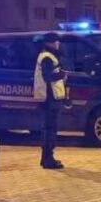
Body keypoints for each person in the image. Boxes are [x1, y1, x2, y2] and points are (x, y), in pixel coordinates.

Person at [34, 33, 68, 169]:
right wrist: (62, 75)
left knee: (49, 129)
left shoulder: (48, 55)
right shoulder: (47, 57)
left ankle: (47, 158)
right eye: (56, 41)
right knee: (50, 129)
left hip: (51, 97)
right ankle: (48, 159)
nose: (58, 44)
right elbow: (48, 76)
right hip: (50, 98)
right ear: (51, 42)